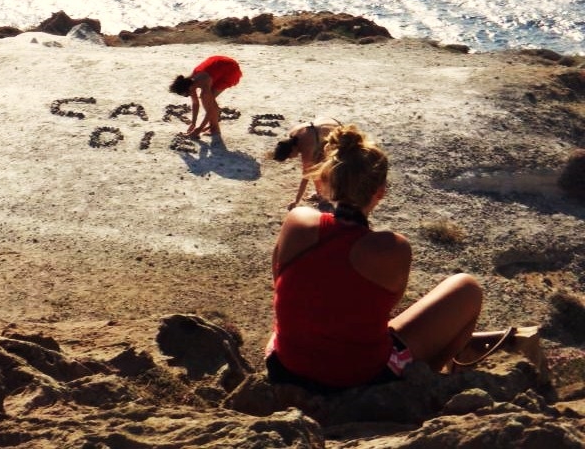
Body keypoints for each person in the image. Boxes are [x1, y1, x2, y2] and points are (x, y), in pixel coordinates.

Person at [266, 124, 483, 391]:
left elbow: (281, 280)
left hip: (285, 366)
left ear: (322, 183)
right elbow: (384, 307)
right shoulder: (391, 248)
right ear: (381, 191)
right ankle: (421, 384)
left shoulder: (297, 221)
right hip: (359, 377)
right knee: (467, 287)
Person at [273, 117, 342, 210]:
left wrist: (296, 201)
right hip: (325, 125)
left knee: (319, 169)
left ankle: (324, 196)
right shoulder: (292, 135)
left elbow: (305, 177)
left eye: (289, 156)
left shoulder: (306, 147)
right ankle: (320, 193)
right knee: (314, 166)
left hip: (337, 132)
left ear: (292, 149)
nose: (291, 158)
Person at [169, 56, 242, 140]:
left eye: (186, 95)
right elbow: (195, 103)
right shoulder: (190, 82)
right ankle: (214, 123)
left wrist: (199, 129)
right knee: (209, 101)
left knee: (206, 100)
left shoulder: (204, 83)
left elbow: (210, 110)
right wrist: (193, 123)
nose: (188, 96)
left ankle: (214, 128)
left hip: (230, 69)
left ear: (189, 88)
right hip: (217, 65)